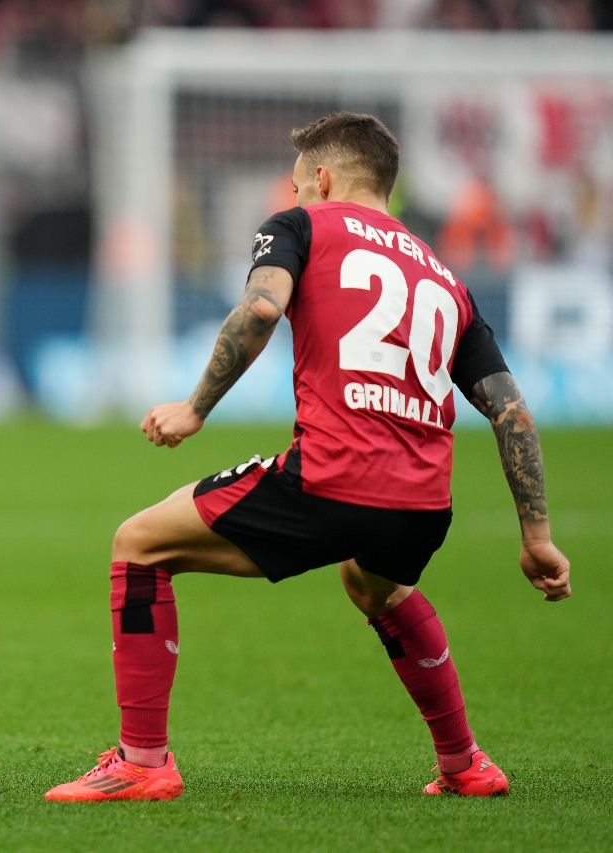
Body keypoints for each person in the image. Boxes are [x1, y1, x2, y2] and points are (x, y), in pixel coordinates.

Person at [44, 112, 571, 802]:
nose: (293, 199)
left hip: (331, 478)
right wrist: (537, 537)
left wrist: (194, 407)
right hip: (421, 504)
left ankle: (143, 762)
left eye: (297, 187)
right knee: (374, 585)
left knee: (138, 545)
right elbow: (511, 410)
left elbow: (262, 308)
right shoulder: (445, 277)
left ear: (322, 179)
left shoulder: (300, 227)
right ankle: (465, 763)